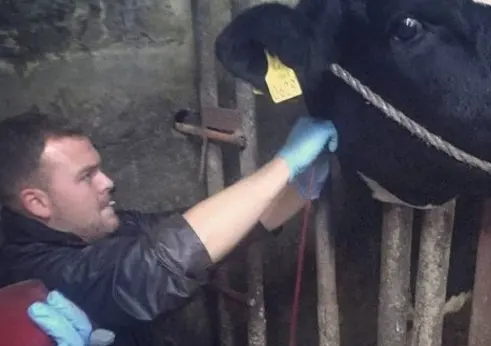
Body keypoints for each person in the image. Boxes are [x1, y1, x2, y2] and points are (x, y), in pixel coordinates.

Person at [0, 110, 338, 345]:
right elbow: (157, 267)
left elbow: (200, 240)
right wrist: (284, 164)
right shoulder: (32, 275)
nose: (108, 182)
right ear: (37, 203)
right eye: (86, 176)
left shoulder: (103, 230)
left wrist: (298, 188)